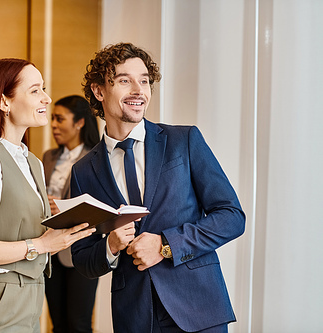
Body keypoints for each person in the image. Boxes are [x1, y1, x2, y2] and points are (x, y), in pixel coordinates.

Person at [70, 43, 246, 333]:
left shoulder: (184, 141)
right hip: (135, 317)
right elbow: (82, 258)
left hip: (198, 309)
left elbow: (231, 217)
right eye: (125, 80)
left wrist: (165, 245)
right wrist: (110, 247)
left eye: (144, 81)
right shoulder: (84, 171)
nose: (139, 90)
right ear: (99, 91)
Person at [0, 58, 95, 333]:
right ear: (4, 102)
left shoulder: (32, 161)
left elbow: (26, 233)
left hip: (31, 297)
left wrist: (63, 234)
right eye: (35, 90)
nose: (47, 97)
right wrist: (41, 246)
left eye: (43, 89)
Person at [42, 95, 100, 333]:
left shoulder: (96, 158)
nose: (53, 124)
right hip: (49, 248)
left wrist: (64, 206)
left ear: (79, 123)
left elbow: (101, 203)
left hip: (81, 250)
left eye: (59, 119)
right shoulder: (48, 157)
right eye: (52, 118)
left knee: (79, 324)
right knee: (58, 324)